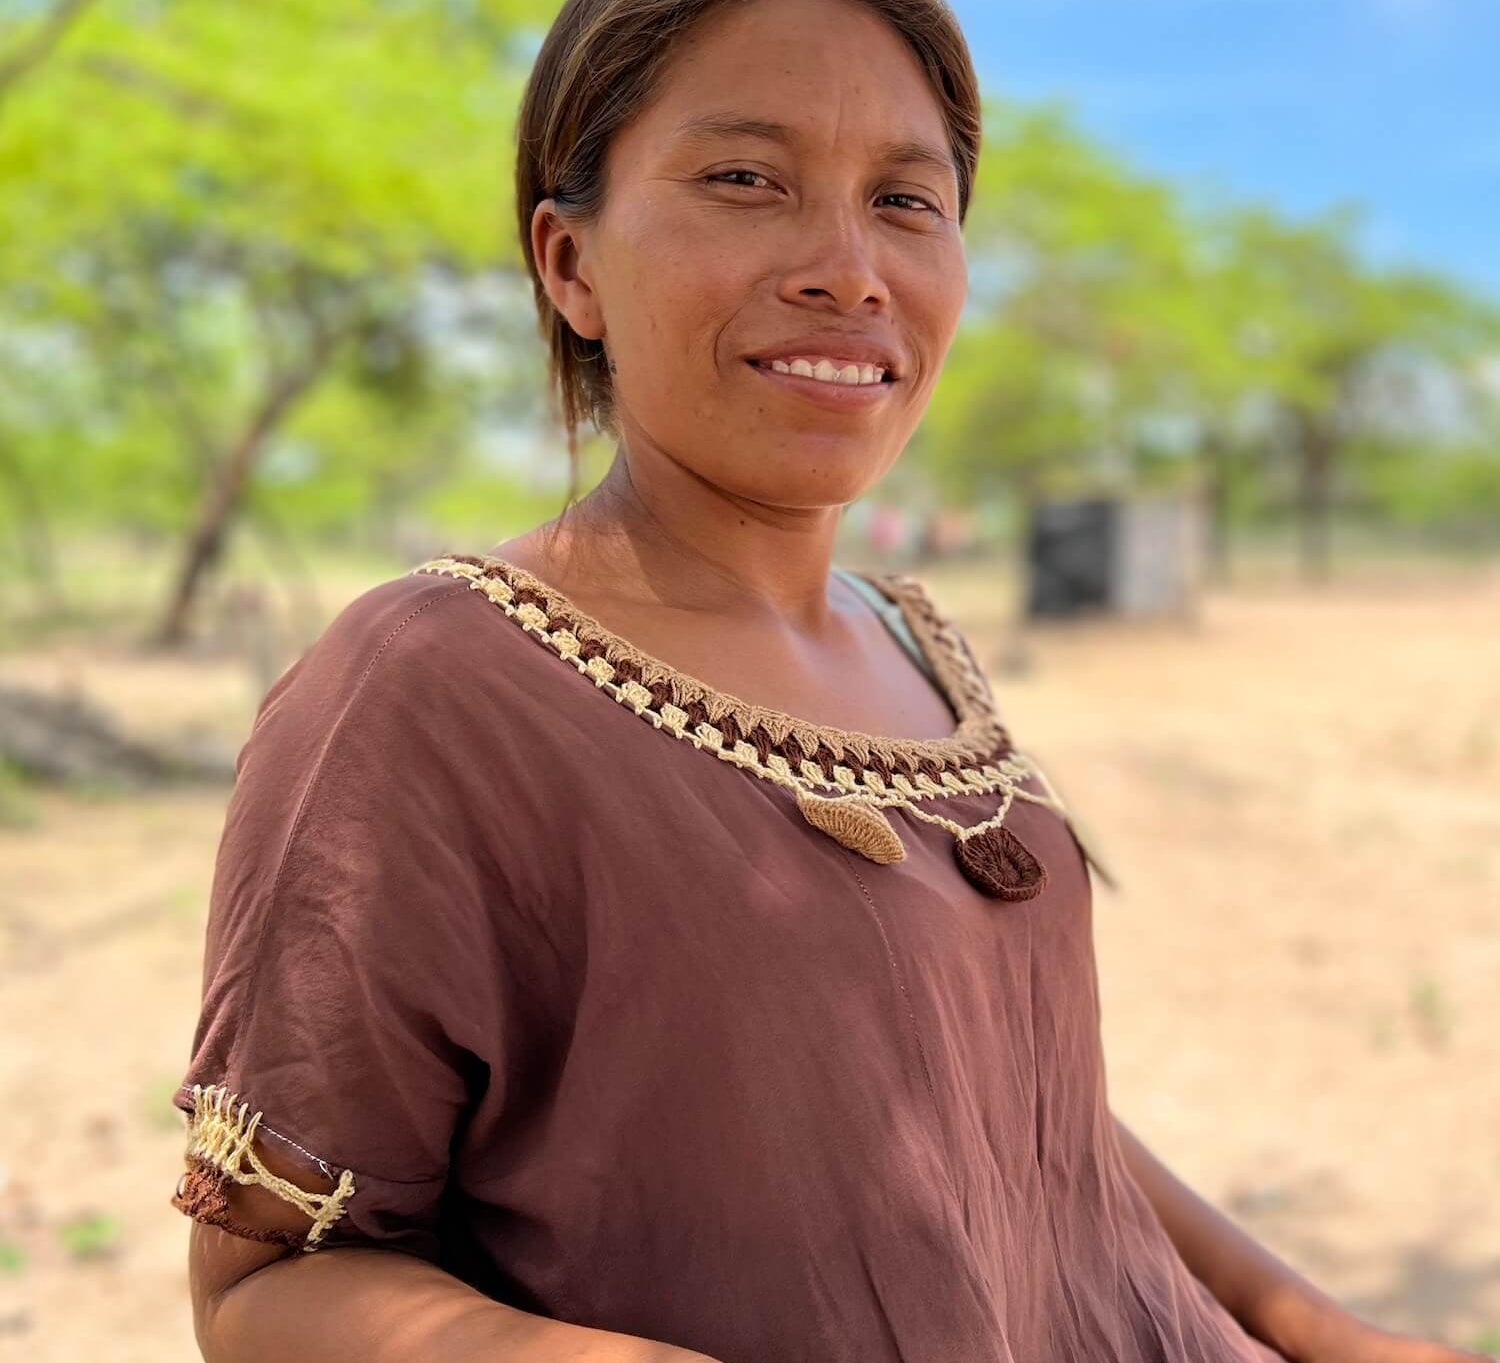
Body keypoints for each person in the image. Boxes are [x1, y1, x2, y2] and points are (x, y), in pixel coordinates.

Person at [167, 2, 1488, 1361]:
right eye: (746, 180)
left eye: (906, 200)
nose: (850, 271)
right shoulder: (427, 685)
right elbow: (269, 1282)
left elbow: (1008, 1105)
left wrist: (1319, 1327)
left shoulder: (914, 638)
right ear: (570, 265)